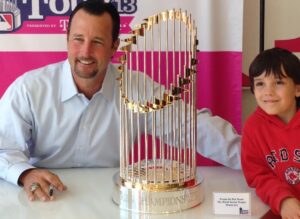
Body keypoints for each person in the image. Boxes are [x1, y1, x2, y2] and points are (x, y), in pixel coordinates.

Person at [0, 0, 241, 202]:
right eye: (78, 39)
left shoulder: (137, 87)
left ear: (115, 46)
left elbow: (191, 127)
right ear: (67, 39)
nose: (85, 52)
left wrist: (257, 158)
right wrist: (25, 173)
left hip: (113, 202)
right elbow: (3, 146)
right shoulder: (29, 89)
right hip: (46, 200)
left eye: (97, 42)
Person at [241, 47, 300, 218]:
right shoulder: (253, 127)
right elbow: (258, 176)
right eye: (260, 83)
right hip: (278, 209)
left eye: (279, 82)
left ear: (297, 89)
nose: (268, 91)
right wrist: (283, 200)